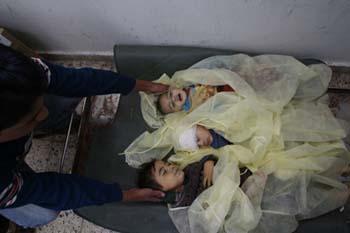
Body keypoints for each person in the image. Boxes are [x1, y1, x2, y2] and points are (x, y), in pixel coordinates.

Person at [0, 44, 168, 229]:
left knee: (68, 91)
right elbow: (56, 191)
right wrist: (124, 195)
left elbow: (76, 79)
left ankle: (57, 122)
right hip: (6, 180)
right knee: (43, 211)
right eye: (32, 118)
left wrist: (141, 85)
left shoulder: (16, 73)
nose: (43, 114)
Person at [138, 157, 251, 207]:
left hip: (235, 177)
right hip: (231, 199)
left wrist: (208, 163)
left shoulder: (189, 169)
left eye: (167, 164)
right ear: (161, 192)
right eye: (164, 172)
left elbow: (204, 160)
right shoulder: (184, 203)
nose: (171, 167)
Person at [157, 84, 234, 114]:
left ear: (173, 88)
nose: (174, 98)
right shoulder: (189, 108)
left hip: (216, 88)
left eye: (170, 94)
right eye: (173, 104)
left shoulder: (188, 85)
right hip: (217, 102)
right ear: (178, 110)